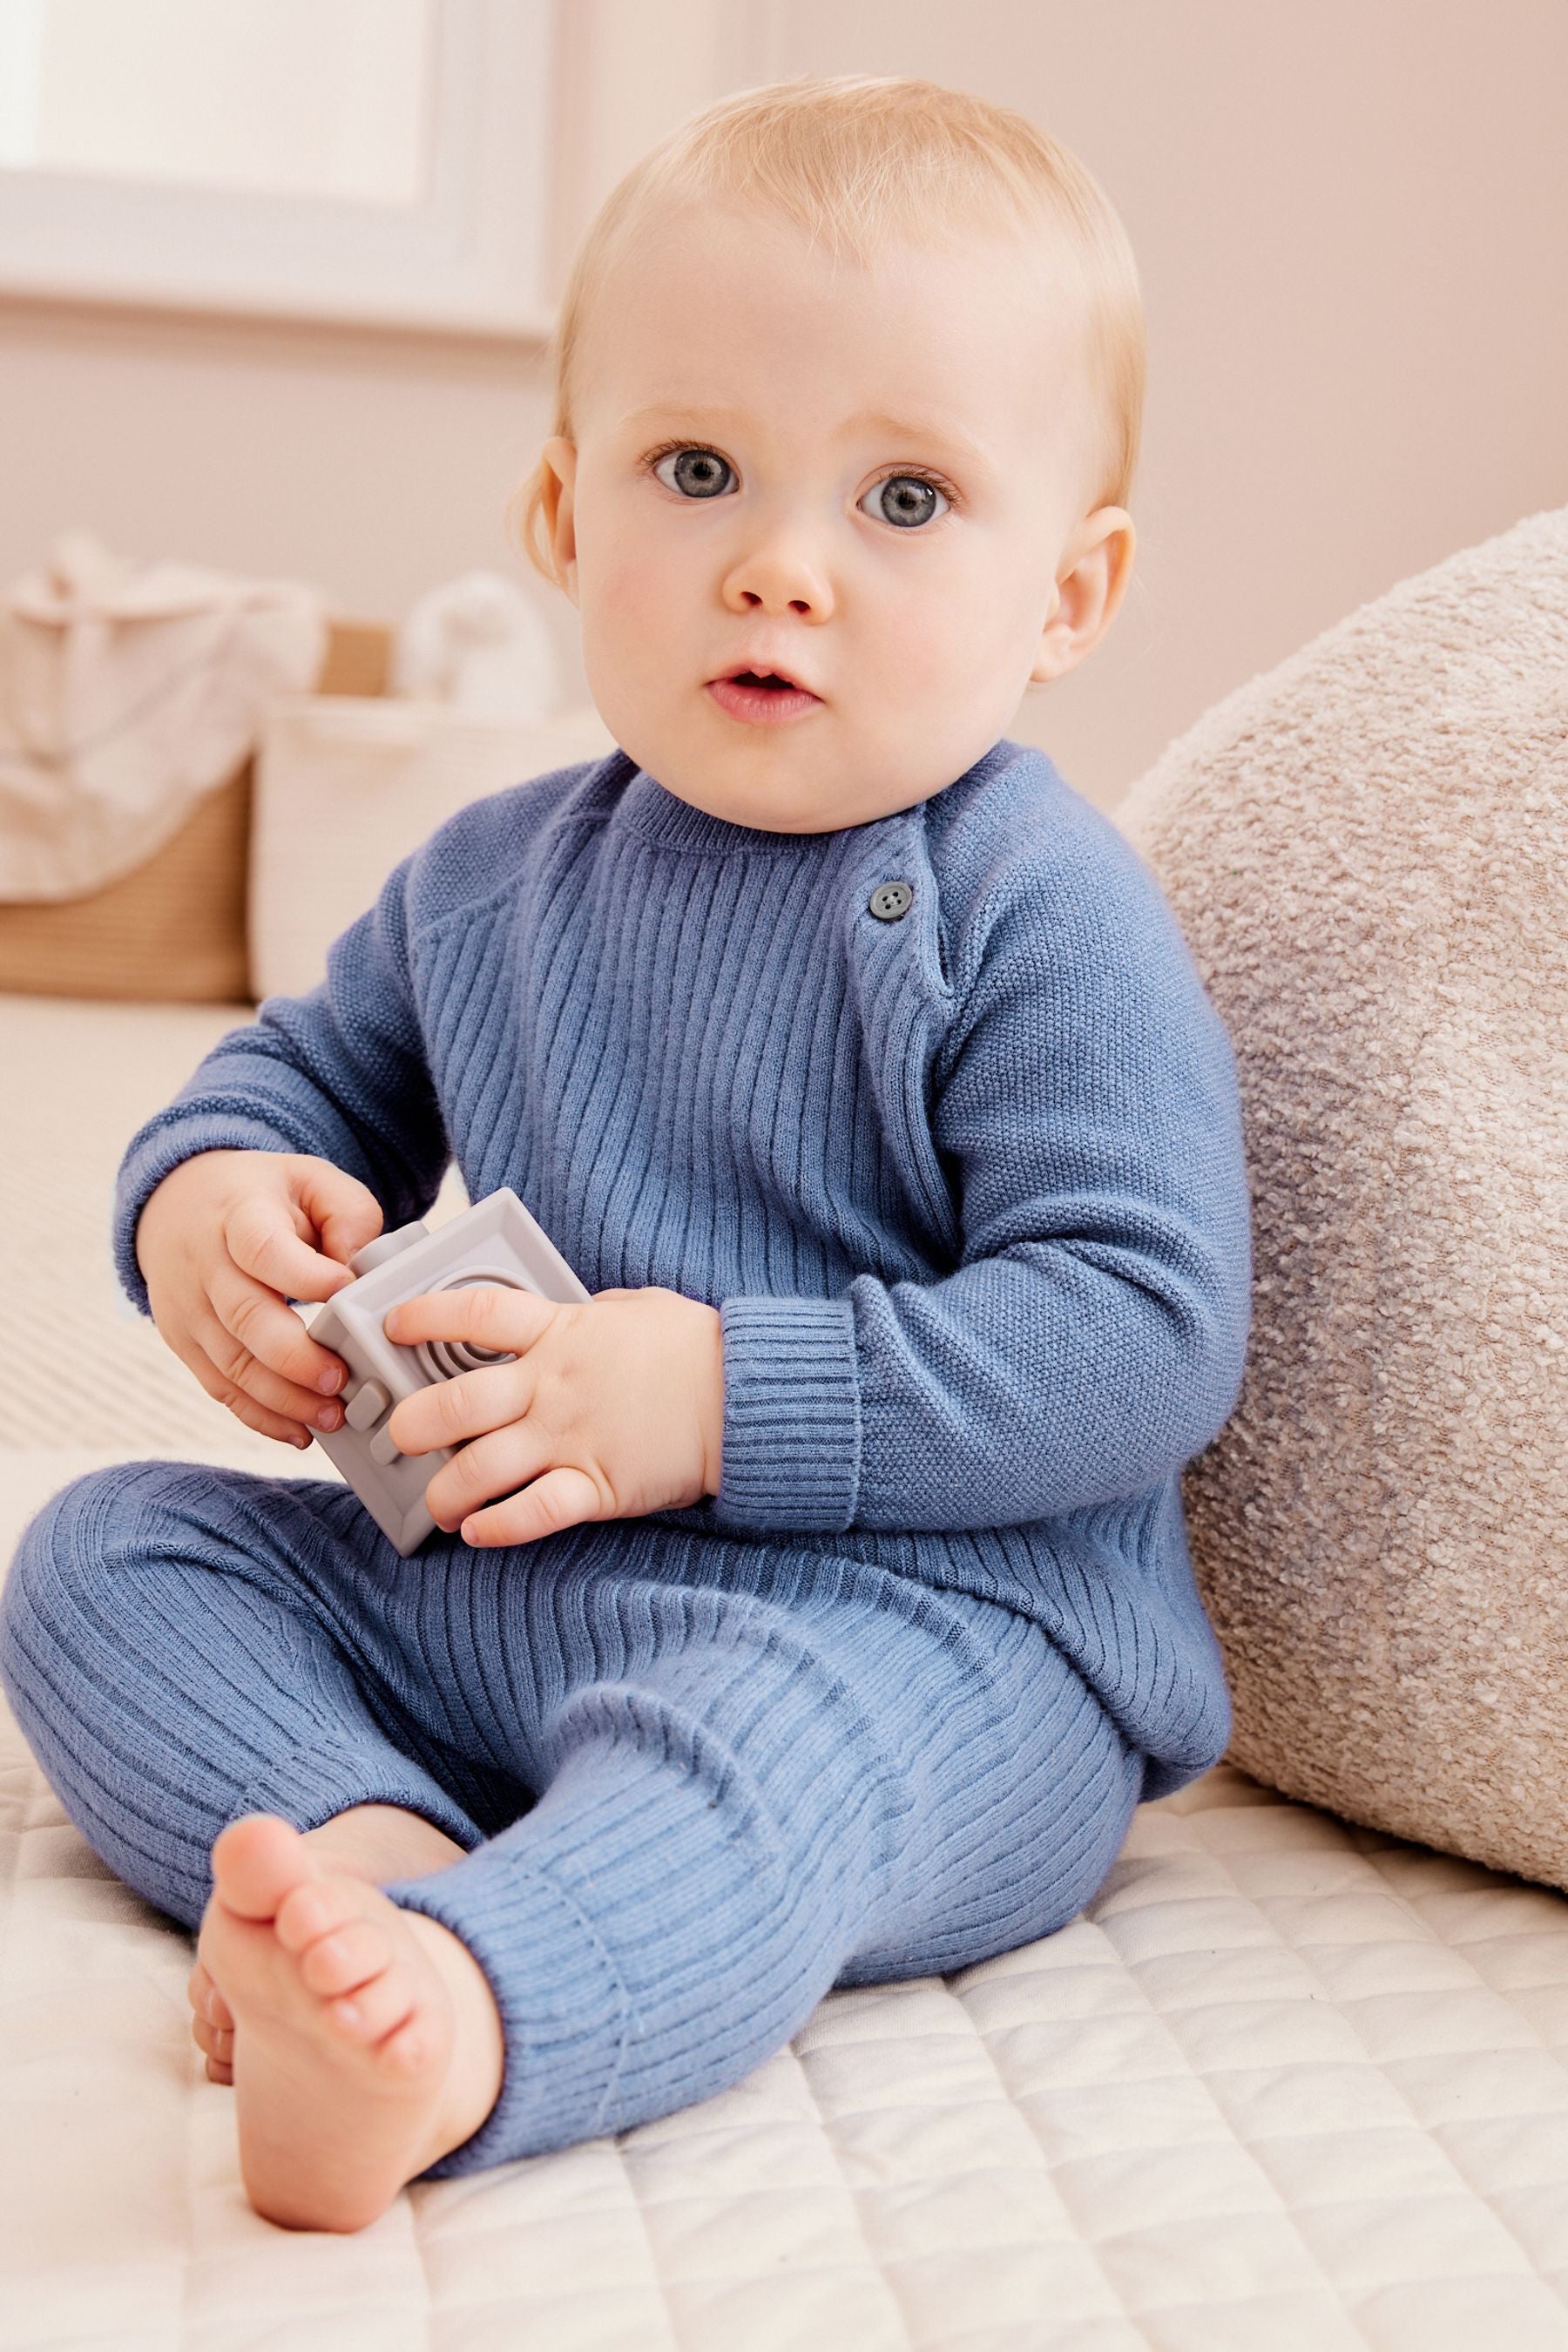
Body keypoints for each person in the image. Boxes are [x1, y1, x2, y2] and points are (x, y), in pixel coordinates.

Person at [0, 73, 1251, 2233]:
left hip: (922, 1638)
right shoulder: (491, 879)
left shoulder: (1033, 902)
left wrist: (709, 1397)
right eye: (699, 471)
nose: (780, 564)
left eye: (909, 500)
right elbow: (294, 1080)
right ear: (568, 516)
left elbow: (1140, 1335)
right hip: (494, 1593)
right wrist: (211, 1202)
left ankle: (461, 2023)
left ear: (1072, 592)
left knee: (757, 1764)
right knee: (98, 1553)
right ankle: (366, 1854)